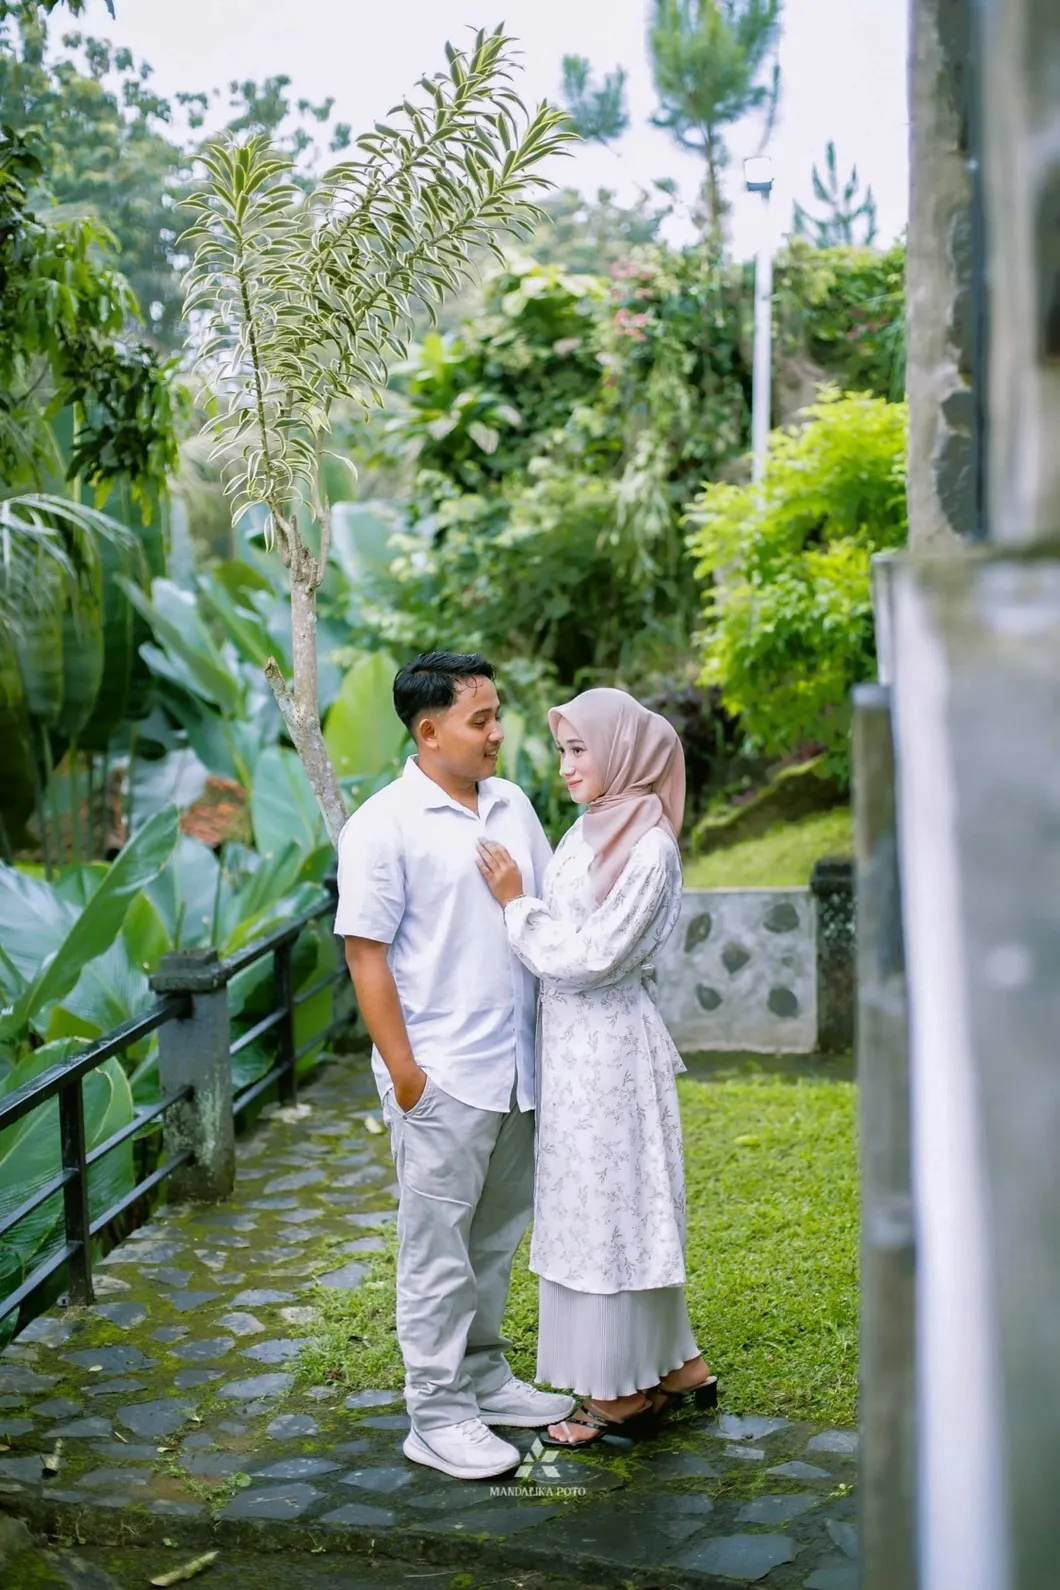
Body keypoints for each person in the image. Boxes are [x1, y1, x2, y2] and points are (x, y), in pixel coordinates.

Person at [334, 651, 575, 1481]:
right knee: (437, 1253)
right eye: (481, 720)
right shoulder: (383, 824)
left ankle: (483, 1378)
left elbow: (541, 909)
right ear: (429, 731)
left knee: (495, 1240)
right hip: (441, 1077)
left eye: (497, 714)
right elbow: (365, 954)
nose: (497, 732)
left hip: (518, 1071)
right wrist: (408, 1076)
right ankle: (435, 1416)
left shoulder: (511, 804)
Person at [476, 686, 716, 1446]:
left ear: (621, 750)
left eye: (580, 749)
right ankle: (676, 1362)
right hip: (574, 1047)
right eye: (562, 750)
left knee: (608, 1211)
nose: (566, 766)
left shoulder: (649, 846)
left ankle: (617, 1396)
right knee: (608, 1203)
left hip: (609, 1051)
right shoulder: (591, 828)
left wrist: (515, 905)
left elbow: (593, 957)